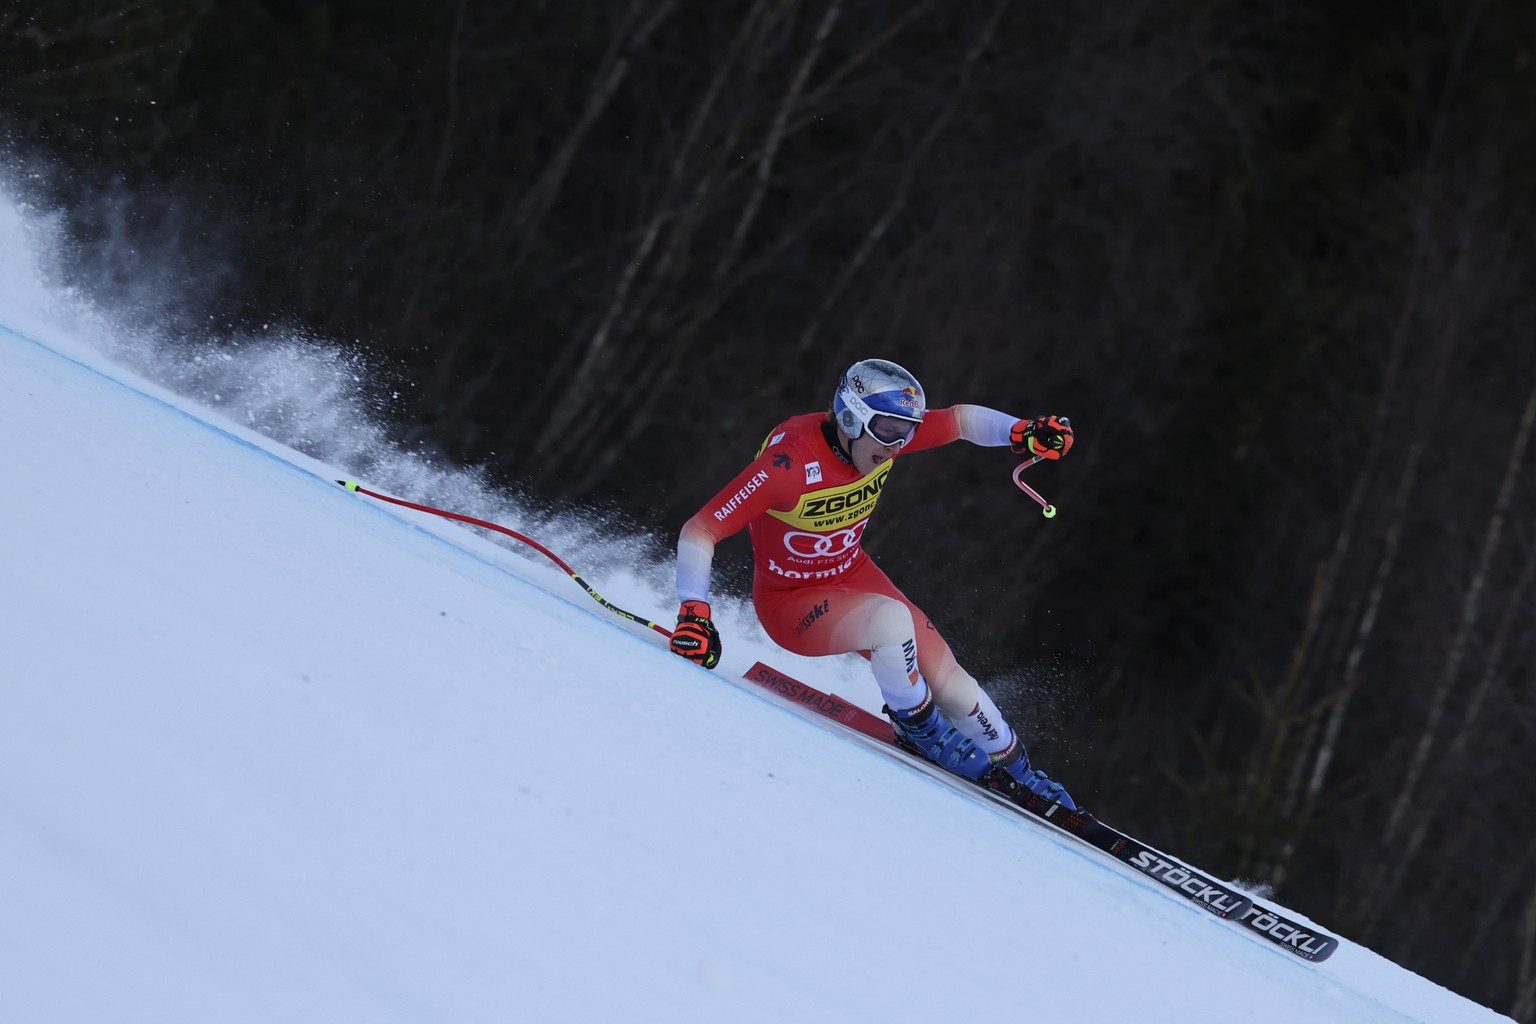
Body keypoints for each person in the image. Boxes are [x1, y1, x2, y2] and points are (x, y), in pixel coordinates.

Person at [669, 358, 1080, 809]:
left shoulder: (880, 438)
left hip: (850, 574)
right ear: (850, 417)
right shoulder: (789, 464)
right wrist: (695, 613)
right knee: (892, 621)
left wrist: (1021, 431)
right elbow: (700, 529)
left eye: (907, 431)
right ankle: (920, 729)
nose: (897, 444)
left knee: (955, 685)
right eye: (888, 430)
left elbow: (960, 420)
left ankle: (1021, 772)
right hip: (791, 604)